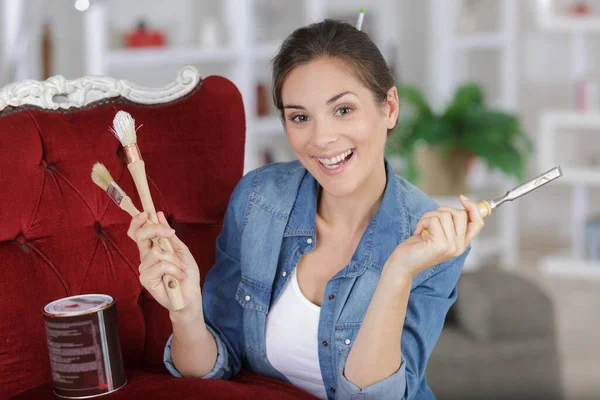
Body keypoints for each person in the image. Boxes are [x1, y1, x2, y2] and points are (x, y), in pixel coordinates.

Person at [128, 19, 484, 400]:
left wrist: (398, 271)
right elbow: (214, 367)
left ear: (390, 108)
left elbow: (378, 396)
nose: (322, 139)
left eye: (343, 110)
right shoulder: (257, 199)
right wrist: (186, 313)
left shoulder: (430, 239)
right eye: (300, 117)